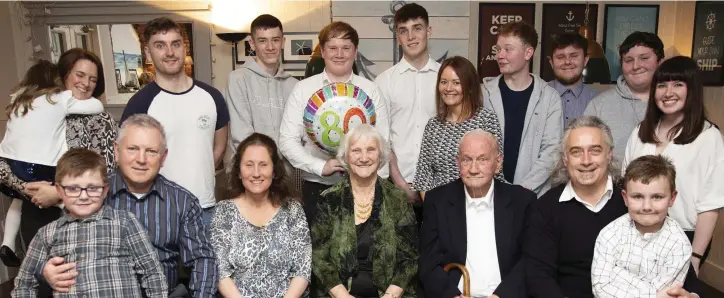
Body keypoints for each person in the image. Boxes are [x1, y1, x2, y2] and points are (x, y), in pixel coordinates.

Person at [41, 114, 218, 298]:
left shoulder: (183, 202)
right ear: (116, 151)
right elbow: (52, 248)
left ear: (163, 157)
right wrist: (46, 270)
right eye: (132, 149)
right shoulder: (89, 194)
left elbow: (202, 259)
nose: (141, 159)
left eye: (151, 151)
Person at [0, 49, 117, 266]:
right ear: (64, 75)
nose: (86, 83)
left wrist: (59, 194)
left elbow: (108, 173)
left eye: (93, 79)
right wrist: (23, 186)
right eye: (79, 75)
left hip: (84, 218)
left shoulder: (101, 120)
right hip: (36, 211)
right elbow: (5, 162)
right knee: (43, 282)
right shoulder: (38, 108)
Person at [12, 148, 167, 298]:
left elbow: (152, 273)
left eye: (92, 188)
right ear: (59, 190)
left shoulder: (125, 223)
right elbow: (24, 284)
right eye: (73, 188)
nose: (83, 196)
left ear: (105, 190)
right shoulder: (47, 234)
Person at [623, 56, 724, 282]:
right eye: (662, 85)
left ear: (692, 90)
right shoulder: (640, 132)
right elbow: (626, 184)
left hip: (683, 237)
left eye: (678, 84)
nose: (668, 93)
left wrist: (695, 257)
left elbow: (711, 204)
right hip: (636, 233)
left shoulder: (709, 137)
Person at [121, 17, 229, 226]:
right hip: (158, 211)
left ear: (184, 48)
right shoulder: (140, 104)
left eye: (175, 44)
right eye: (160, 46)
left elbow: (219, 147)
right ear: (148, 52)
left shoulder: (212, 97)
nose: (169, 52)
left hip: (204, 208)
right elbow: (129, 159)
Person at [279, 21, 390, 226]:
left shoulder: (371, 91)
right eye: (332, 48)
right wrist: (321, 166)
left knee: (363, 254)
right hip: (317, 188)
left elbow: (383, 143)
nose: (339, 54)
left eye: (346, 48)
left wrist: (379, 188)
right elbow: (287, 141)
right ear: (322, 51)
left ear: (355, 52)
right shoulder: (303, 90)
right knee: (320, 255)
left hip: (365, 189)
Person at [419, 129, 534, 298]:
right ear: (458, 162)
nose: (473, 169)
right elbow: (428, 262)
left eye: (482, 159)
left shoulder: (522, 201)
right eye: (467, 160)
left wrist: (502, 295)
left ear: (498, 162)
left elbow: (531, 258)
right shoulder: (438, 200)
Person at [525, 116, 627, 298]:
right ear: (565, 159)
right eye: (576, 152)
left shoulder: (630, 202)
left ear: (609, 154)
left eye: (595, 151)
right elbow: (539, 275)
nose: (586, 161)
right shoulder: (545, 208)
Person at [311, 124, 417, 298]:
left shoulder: (398, 199)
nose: (364, 157)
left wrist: (390, 295)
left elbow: (410, 258)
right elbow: (319, 258)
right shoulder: (329, 199)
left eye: (370, 150)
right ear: (346, 156)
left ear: (380, 155)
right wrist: (342, 296)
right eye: (356, 151)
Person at [211, 133, 311, 297]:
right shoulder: (223, 211)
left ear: (274, 171)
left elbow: (302, 269)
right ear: (238, 171)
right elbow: (221, 273)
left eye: (263, 165)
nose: (256, 173)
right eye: (249, 165)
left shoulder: (293, 210)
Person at [592, 155, 691, 298]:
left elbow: (667, 295)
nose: (647, 207)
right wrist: (652, 294)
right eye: (637, 197)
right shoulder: (609, 234)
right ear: (625, 198)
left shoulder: (679, 246)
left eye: (657, 197)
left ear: (672, 198)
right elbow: (600, 288)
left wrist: (617, 273)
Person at [482, 21, 562, 195]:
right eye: (498, 49)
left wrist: (522, 190)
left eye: (508, 49)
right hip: (489, 196)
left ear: (528, 52)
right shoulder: (483, 94)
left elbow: (552, 152)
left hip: (533, 197)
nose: (500, 55)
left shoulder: (549, 98)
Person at [375, 3, 438, 214]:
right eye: (404, 31)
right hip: (397, 186)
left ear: (428, 31)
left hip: (441, 185)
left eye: (417, 28)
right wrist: (399, 182)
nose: (411, 36)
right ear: (398, 38)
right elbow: (382, 137)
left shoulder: (445, 78)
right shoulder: (384, 82)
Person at [412, 56, 503, 195]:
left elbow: (496, 170)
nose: (448, 88)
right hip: (440, 208)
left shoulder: (486, 119)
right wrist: (435, 211)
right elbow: (424, 177)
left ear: (469, 87)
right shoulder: (433, 126)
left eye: (456, 82)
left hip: (479, 205)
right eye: (444, 82)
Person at [584, 31, 664, 160]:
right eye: (628, 60)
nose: (636, 66)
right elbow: (585, 152)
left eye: (644, 58)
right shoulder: (599, 105)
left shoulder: (672, 103)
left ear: (660, 62)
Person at [225, 14, 298, 152]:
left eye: (275, 40)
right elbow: (241, 135)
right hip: (252, 169)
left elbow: (297, 134)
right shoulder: (238, 79)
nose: (270, 47)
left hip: (287, 171)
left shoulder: (294, 85)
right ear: (252, 44)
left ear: (283, 42)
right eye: (263, 41)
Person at [547, 33, 599, 126]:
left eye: (574, 56)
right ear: (551, 63)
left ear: (585, 60)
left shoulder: (598, 101)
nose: (567, 62)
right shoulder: (537, 95)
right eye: (560, 57)